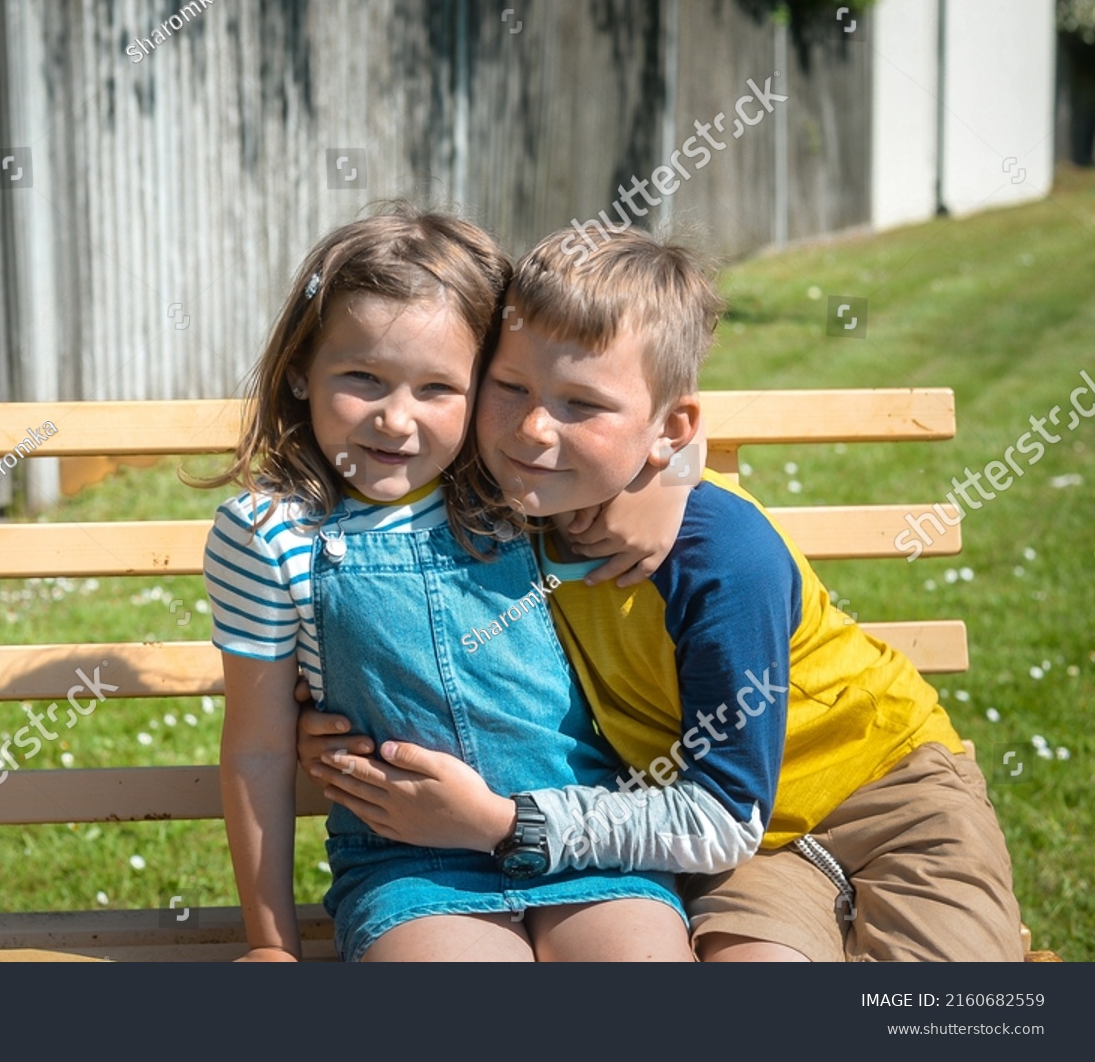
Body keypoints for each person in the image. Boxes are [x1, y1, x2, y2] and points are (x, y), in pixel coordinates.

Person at [304, 226, 1024, 962]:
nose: (532, 428)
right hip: (749, 854)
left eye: (581, 404)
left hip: (890, 796)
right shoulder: (495, 503)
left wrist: (507, 823)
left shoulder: (722, 555)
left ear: (669, 429)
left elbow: (722, 807)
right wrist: (324, 713)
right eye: (510, 387)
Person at [199, 206, 690, 962]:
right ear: (300, 369)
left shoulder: (511, 484)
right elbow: (258, 750)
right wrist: (272, 946)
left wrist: (669, 488)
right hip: (411, 863)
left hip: (581, 835)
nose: (396, 420)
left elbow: (649, 425)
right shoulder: (270, 535)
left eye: (438, 388)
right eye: (363, 377)